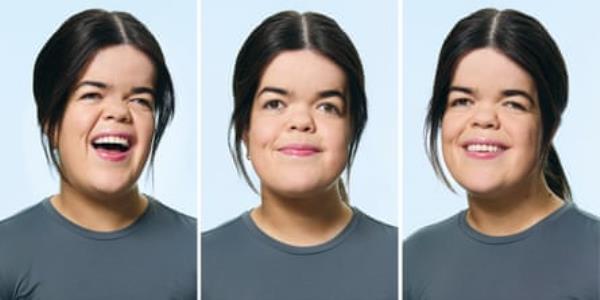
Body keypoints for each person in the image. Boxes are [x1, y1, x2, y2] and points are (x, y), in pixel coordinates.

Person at [403, 8, 600, 299]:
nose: (483, 118)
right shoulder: (413, 260)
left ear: (550, 124)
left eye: (513, 103)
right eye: (462, 100)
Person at [0, 9, 196, 299]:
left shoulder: (199, 253)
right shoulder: (8, 253)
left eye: (140, 99)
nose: (118, 112)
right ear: (51, 121)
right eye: (92, 94)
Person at [202, 10, 397, 300]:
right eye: (275, 103)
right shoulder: (199, 265)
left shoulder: (400, 263)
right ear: (245, 126)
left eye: (327, 106)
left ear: (352, 128)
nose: (301, 121)